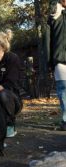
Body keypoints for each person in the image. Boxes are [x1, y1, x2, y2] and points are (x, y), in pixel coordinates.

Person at [44, 0, 66, 130]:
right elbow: (47, 41)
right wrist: (49, 62)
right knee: (63, 91)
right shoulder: (53, 16)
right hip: (59, 59)